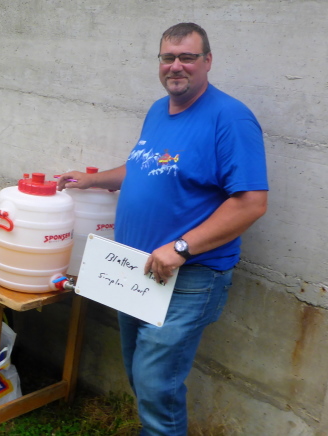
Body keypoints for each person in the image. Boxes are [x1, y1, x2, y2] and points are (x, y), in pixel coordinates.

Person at [57, 23, 268, 436]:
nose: (176, 66)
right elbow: (144, 168)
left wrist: (182, 247)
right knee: (141, 375)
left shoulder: (231, 118)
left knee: (156, 384)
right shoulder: (158, 110)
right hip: (136, 269)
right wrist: (93, 180)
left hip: (187, 276)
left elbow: (251, 203)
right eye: (168, 57)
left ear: (208, 61)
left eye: (187, 57)